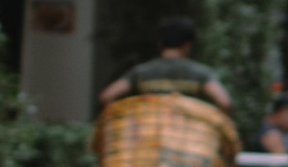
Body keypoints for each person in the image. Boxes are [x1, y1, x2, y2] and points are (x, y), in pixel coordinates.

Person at [99, 12, 234, 119]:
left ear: (160, 43)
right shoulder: (200, 73)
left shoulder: (141, 72)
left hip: (149, 139)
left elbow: (107, 96)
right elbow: (224, 102)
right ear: (188, 45)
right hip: (187, 141)